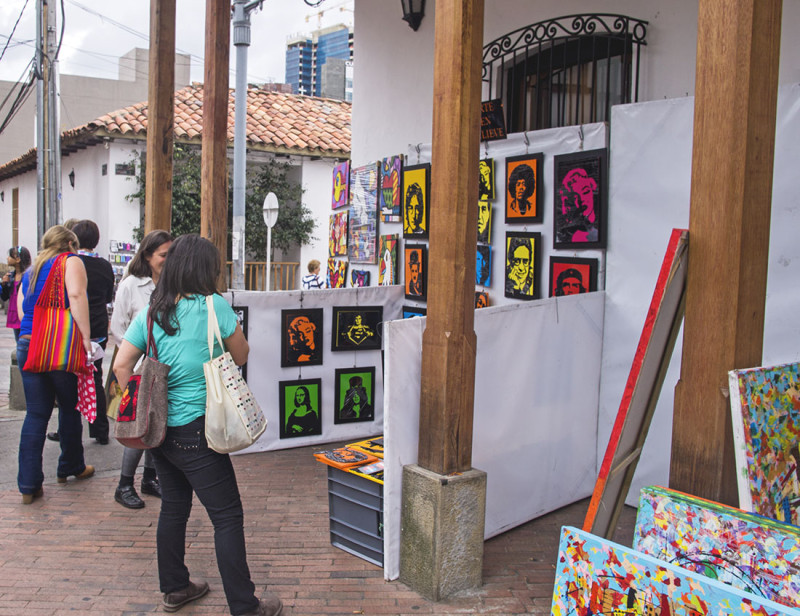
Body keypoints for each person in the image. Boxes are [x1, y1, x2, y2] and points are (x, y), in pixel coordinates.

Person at [114, 234, 282, 616]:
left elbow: (122, 366)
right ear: (204, 269)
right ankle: (245, 605)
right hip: (197, 430)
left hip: (159, 434)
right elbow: (241, 354)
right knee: (227, 516)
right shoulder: (213, 307)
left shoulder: (152, 310)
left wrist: (144, 407)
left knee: (174, 506)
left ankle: (175, 587)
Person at [16, 225, 94, 504]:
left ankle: (28, 485)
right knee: (70, 406)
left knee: (36, 415)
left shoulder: (32, 269)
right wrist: (86, 338)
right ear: (71, 243)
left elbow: (25, 307)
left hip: (28, 341)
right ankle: (70, 466)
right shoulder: (71, 261)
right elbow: (75, 296)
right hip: (57, 345)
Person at [109, 229, 172, 509]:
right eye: (163, 255)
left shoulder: (171, 284)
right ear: (147, 256)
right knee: (137, 423)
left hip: (161, 366)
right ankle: (124, 484)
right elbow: (117, 327)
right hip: (135, 366)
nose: (167, 260)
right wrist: (137, 350)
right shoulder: (131, 286)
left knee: (154, 422)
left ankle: (149, 478)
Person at [558, 167, 599, 243]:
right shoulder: (563, 232)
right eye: (572, 198)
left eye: (585, 192)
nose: (579, 202)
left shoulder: (597, 231)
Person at [1, 245, 32, 341]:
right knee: (18, 341)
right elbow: (5, 297)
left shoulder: (29, 276)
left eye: (10, 256)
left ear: (18, 259)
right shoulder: (10, 276)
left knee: (25, 342)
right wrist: (4, 284)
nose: (7, 258)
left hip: (24, 314)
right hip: (14, 313)